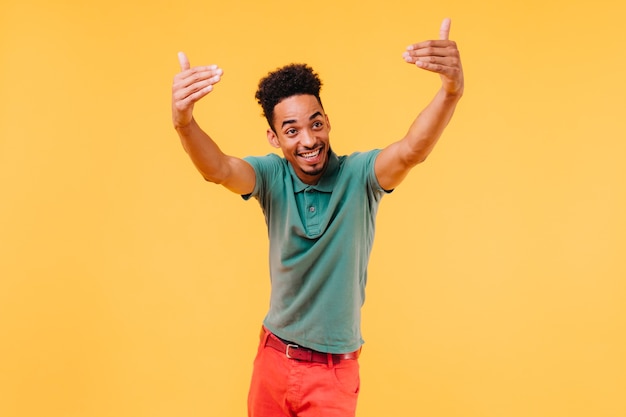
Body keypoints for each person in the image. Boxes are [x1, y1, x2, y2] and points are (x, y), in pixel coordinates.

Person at [171, 17, 463, 417]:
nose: (308, 140)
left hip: (334, 373)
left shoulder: (360, 176)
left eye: (316, 124)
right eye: (291, 131)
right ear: (274, 138)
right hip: (272, 359)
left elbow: (411, 150)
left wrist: (450, 92)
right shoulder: (272, 177)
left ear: (328, 121)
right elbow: (218, 169)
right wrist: (184, 123)